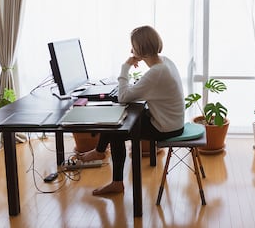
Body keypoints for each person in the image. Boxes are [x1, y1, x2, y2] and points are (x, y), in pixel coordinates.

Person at [77, 25, 184, 195]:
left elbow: (123, 97)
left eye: (133, 46)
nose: (131, 49)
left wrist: (125, 67)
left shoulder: (156, 73)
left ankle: (115, 181)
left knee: (116, 130)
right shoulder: (165, 61)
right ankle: (99, 152)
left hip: (165, 128)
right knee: (117, 118)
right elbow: (144, 89)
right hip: (172, 121)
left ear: (140, 50)